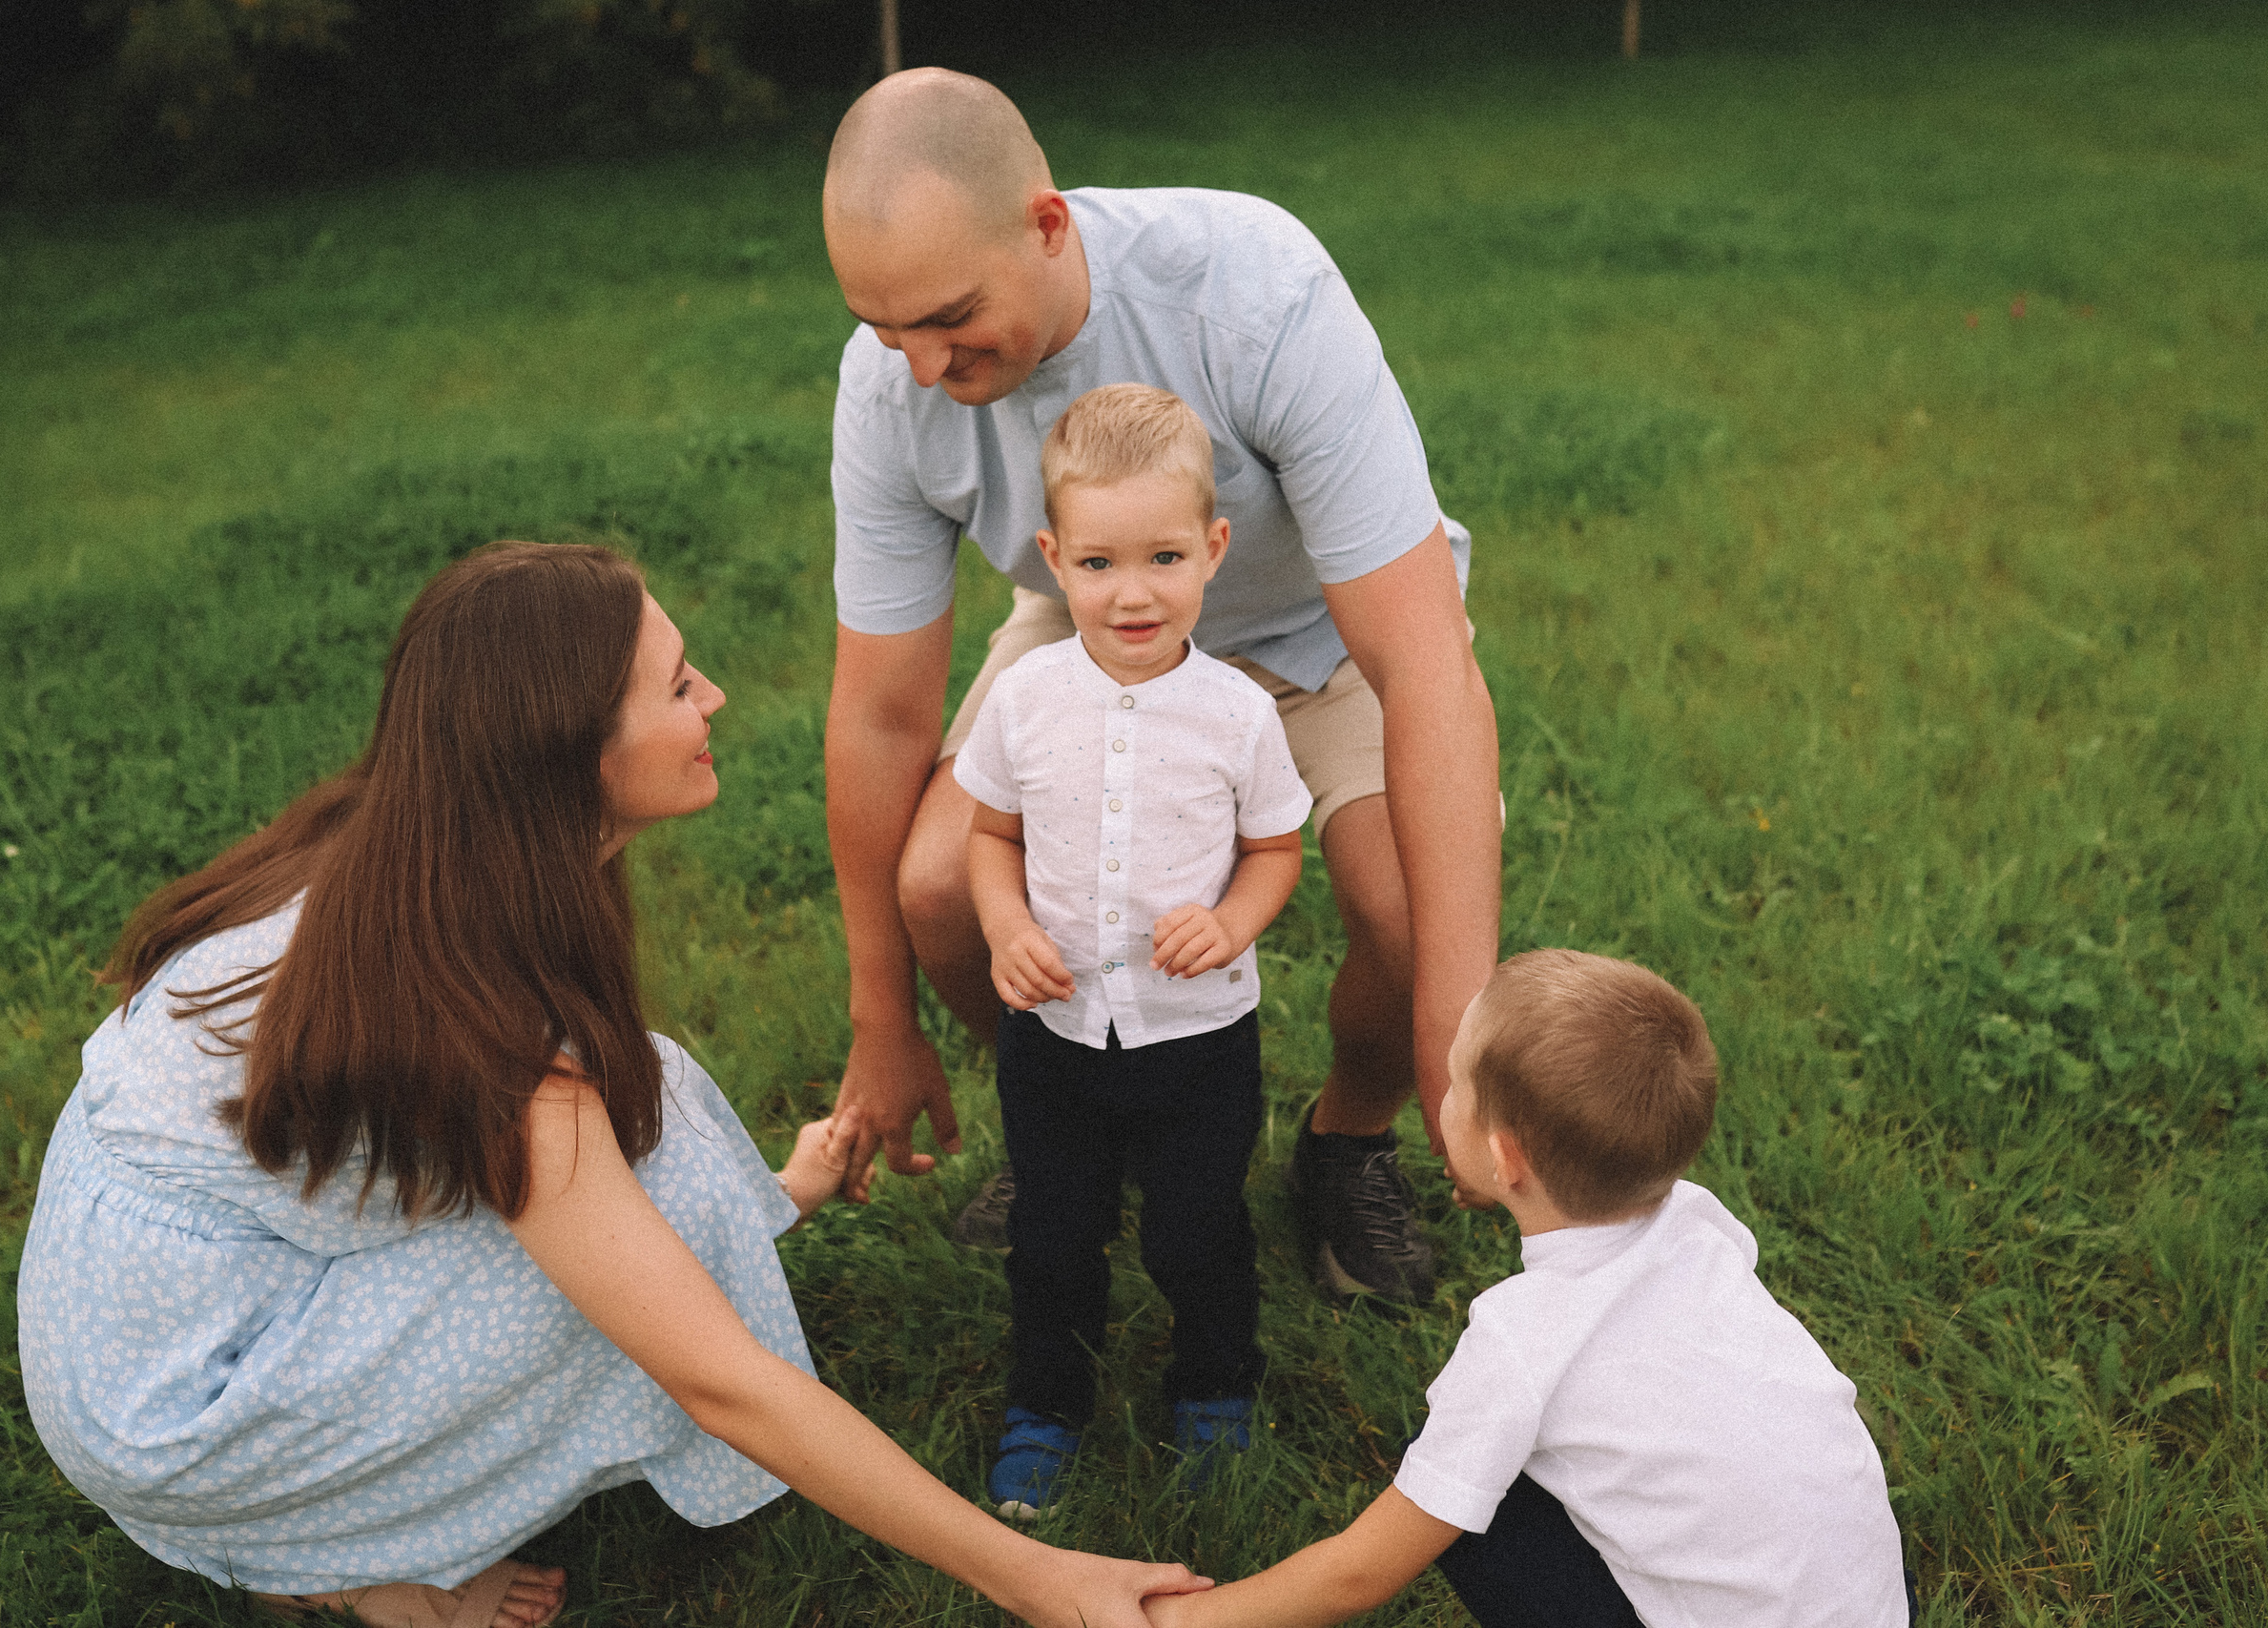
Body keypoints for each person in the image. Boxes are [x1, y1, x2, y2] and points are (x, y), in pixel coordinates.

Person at [15, 543, 1209, 1628]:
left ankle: (344, 1522)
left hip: (135, 1315)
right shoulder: (472, 1011)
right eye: (679, 686)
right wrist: (1035, 1575)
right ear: (570, 745)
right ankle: (339, 1560)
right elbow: (721, 1381)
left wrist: (767, 1194)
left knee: (655, 1119)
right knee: (647, 1231)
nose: (716, 701)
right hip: (180, 1405)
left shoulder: (424, 849)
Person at [818, 68, 1502, 1306]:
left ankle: (1347, 1139)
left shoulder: (1250, 287)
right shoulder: (889, 389)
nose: (918, 366)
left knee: (1405, 913)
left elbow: (1423, 657)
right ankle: (1082, 1109)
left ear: (1046, 223)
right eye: (882, 326)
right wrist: (883, 1018)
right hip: (1088, 624)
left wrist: (1460, 1030)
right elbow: (880, 710)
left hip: (1319, 626)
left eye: (949, 315)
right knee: (937, 883)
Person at [1142, 949, 1911, 1628]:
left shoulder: (1523, 1339)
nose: (1440, 1101)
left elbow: (1362, 1571)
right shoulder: (1699, 1224)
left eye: (1454, 1086)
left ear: (1506, 1158)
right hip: (1869, 1605)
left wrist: (1181, 1621)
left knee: (1476, 1499)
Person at [952, 385, 1312, 1517]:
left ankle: (1214, 1387)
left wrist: (1234, 921)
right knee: (1053, 1234)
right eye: (1100, 562)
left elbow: (1274, 851)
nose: (1134, 591)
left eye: (1163, 556)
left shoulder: (1238, 715)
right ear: (1055, 560)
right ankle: (1045, 1405)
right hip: (1055, 1036)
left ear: (1212, 550)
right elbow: (989, 837)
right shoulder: (1024, 698)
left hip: (1196, 1039)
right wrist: (1007, 927)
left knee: (1199, 1229)